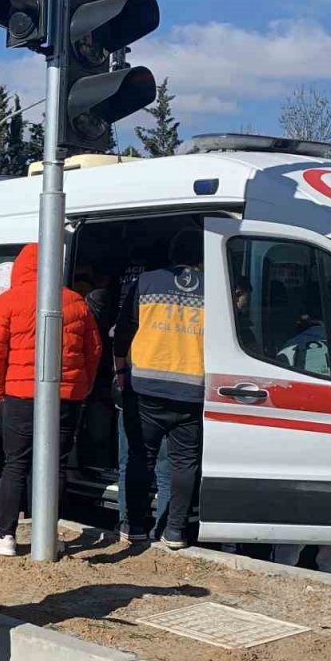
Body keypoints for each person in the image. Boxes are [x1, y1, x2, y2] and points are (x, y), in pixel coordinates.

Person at [0, 243, 102, 557]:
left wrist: (1, 391)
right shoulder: (75, 301)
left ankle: (6, 534)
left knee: (15, 464)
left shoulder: (8, 301)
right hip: (66, 398)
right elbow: (93, 351)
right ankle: (46, 533)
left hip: (19, 397)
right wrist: (81, 387)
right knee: (55, 466)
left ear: (20, 268)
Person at [115, 229, 205, 550]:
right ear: (202, 257)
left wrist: (120, 370)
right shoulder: (214, 289)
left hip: (146, 387)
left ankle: (135, 527)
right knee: (184, 463)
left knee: (141, 457)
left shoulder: (147, 282)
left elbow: (123, 330)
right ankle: (175, 531)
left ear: (172, 253)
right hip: (192, 390)